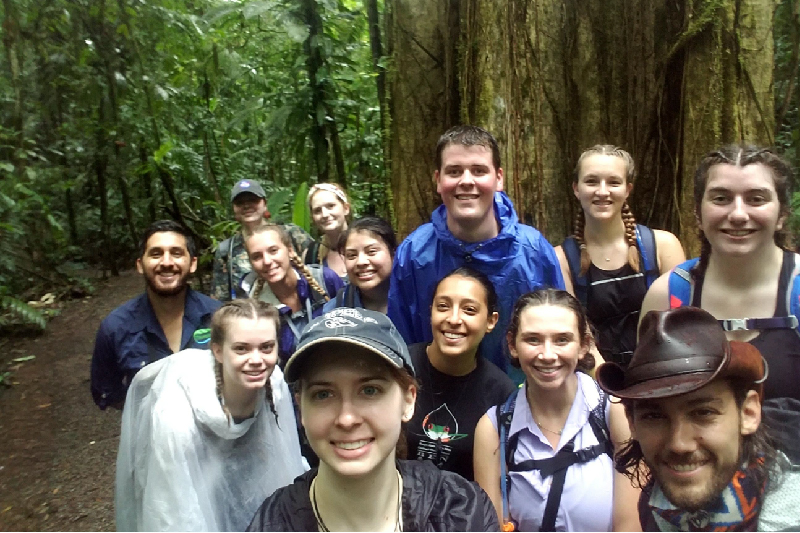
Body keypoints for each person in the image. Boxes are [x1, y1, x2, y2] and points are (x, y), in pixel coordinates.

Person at [247, 308, 500, 531]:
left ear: (408, 400)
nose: (346, 419)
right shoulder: (273, 525)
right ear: (300, 407)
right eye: (323, 394)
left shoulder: (461, 512)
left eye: (370, 391)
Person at [597, 306, 798, 531]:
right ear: (632, 423)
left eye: (703, 412)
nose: (679, 444)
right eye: (654, 416)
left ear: (748, 413)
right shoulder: (657, 505)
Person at [388, 125, 564, 378]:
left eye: (479, 171)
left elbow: (557, 332)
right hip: (436, 400)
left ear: (499, 178)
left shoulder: (533, 251)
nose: (466, 181)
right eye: (454, 171)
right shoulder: (414, 254)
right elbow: (401, 343)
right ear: (438, 180)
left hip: (522, 400)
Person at [115, 299, 306, 531]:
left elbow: (284, 459)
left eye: (266, 347)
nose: (256, 360)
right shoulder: (175, 416)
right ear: (218, 351)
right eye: (241, 348)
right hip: (186, 479)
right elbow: (172, 512)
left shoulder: (273, 381)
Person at [640, 145, 800, 401]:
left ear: (782, 214)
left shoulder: (797, 289)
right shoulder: (668, 295)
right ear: (698, 213)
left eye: (756, 199)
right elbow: (648, 405)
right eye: (721, 198)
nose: (738, 214)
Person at [473, 289, 641, 531]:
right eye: (533, 340)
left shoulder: (613, 413)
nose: (548, 355)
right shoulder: (494, 430)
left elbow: (630, 527)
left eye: (562, 340)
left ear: (584, 345)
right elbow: (492, 526)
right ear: (512, 344)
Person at [556, 145, 685, 367]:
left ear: (627, 189)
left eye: (613, 182)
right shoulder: (562, 259)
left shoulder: (663, 246)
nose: (603, 191)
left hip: (662, 370)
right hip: (597, 378)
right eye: (592, 181)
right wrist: (610, 390)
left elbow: (682, 324)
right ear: (576, 189)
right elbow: (577, 337)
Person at [91, 220, 221, 410]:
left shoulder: (220, 318)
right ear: (140, 265)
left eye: (176, 253)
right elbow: (107, 391)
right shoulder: (115, 328)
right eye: (155, 254)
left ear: (193, 263)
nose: (166, 263)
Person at [406, 267, 516, 482]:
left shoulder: (500, 393)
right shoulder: (398, 368)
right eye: (443, 307)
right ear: (431, 313)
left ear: (491, 321)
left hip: (461, 511)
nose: (454, 319)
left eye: (469, 310)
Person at [240, 223, 343, 363]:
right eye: (257, 257)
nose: (267, 261)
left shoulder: (324, 280)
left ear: (290, 251)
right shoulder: (256, 307)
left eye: (273, 251)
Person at [211, 179, 314, 301]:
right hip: (252, 315)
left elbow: (317, 267)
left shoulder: (292, 233)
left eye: (253, 200)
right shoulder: (226, 249)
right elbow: (220, 298)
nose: (246, 205)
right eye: (240, 203)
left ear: (264, 204)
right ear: (234, 209)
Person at [323, 216, 396, 314]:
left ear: (393, 252)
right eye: (352, 255)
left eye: (371, 251)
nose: (361, 262)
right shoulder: (334, 311)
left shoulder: (416, 298)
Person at [306, 182, 351, 280]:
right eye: (317, 210)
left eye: (330, 206)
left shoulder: (364, 245)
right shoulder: (312, 254)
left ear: (346, 208)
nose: (325, 214)